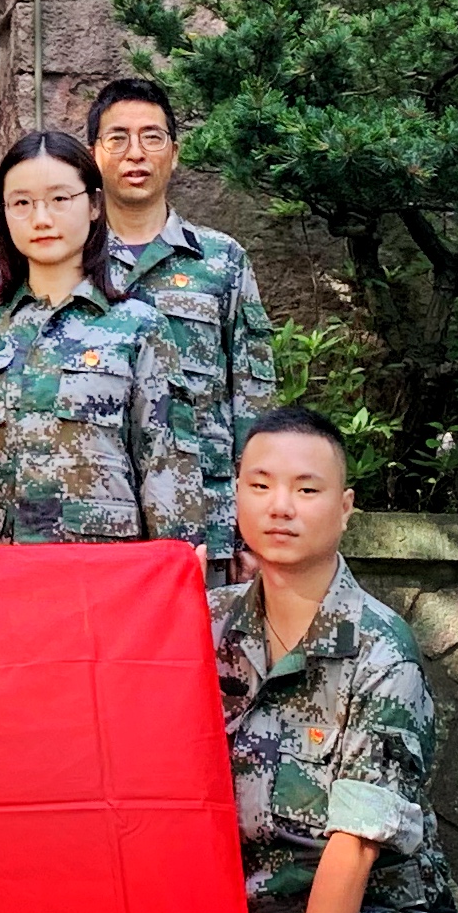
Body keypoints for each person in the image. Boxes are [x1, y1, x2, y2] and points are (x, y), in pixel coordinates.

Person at [128, 406, 458, 913]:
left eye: (306, 488)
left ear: (344, 508)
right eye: (259, 484)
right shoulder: (195, 624)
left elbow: (355, 845)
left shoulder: (380, 651)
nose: (279, 506)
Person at [0, 129, 203, 546]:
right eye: (21, 203)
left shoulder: (138, 328)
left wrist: (177, 557)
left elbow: (166, 463)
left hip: (104, 566)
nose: (41, 219)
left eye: (59, 199)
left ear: (93, 205)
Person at [88, 75, 280, 569]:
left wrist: (253, 530)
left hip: (206, 524)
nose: (135, 153)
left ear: (174, 154)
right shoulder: (69, 260)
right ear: (94, 155)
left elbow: (253, 399)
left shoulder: (221, 261)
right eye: (118, 138)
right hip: (93, 519)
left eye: (152, 137)